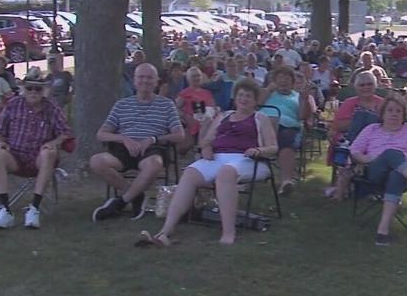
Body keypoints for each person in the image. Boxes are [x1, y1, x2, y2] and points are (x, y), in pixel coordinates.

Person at [137, 79, 278, 246]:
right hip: (217, 157)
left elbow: (273, 147)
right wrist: (205, 148)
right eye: (240, 95)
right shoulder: (224, 116)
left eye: (248, 96)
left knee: (226, 172)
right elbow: (207, 140)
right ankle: (165, 231)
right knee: (190, 173)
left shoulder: (260, 118)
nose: (243, 99)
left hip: (248, 159)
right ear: (235, 98)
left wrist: (259, 151)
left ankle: (228, 233)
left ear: (255, 101)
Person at [90, 63, 186, 221]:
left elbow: (179, 135)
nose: (145, 81)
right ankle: (136, 195)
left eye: (149, 77)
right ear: (134, 81)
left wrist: (153, 139)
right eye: (141, 77)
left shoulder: (166, 105)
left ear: (157, 82)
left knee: (154, 163)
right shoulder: (122, 105)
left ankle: (120, 202)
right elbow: (101, 134)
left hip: (152, 149)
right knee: (96, 161)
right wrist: (123, 138)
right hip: (123, 149)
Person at [350, 96, 407, 246]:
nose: (394, 114)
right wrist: (369, 159)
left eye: (398, 111)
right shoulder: (371, 129)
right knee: (391, 153)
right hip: (376, 171)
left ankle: (382, 231)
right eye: (390, 110)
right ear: (382, 114)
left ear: (404, 114)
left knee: (397, 173)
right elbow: (354, 151)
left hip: (404, 175)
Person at [0, 68, 73, 229]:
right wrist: (0, 141)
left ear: (44, 91)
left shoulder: (51, 108)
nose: (33, 92)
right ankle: (4, 209)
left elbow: (65, 133)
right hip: (15, 156)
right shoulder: (13, 105)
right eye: (29, 88)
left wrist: (53, 143)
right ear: (23, 89)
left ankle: (34, 208)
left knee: (49, 153)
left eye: (38, 88)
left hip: (39, 159)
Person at [326, 71, 384, 200]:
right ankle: (356, 170)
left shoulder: (383, 104)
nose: (366, 87)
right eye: (362, 85)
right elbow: (338, 126)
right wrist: (358, 119)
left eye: (369, 84)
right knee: (362, 119)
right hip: (351, 139)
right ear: (356, 88)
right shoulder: (349, 103)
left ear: (375, 86)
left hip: (376, 141)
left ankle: (346, 185)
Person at [260, 67, 310, 195]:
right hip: (263, 126)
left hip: (288, 127)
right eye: (280, 78)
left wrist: (304, 100)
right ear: (274, 81)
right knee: (270, 120)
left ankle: (286, 181)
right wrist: (268, 89)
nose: (283, 81)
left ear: (292, 82)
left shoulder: (298, 96)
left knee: (287, 142)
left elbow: (302, 116)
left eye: (287, 78)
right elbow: (256, 103)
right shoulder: (268, 93)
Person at [176, 67, 217, 152]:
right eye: (193, 76)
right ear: (188, 79)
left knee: (211, 121)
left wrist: (216, 110)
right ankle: (200, 148)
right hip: (192, 122)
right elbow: (175, 108)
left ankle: (201, 147)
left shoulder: (207, 92)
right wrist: (185, 116)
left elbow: (214, 107)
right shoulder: (184, 93)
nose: (196, 78)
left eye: (198, 76)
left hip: (207, 120)